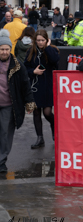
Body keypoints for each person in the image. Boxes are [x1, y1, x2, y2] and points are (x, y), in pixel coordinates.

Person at [0, 29, 36, 173]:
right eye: (1, 49)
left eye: (6, 49)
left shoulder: (17, 65)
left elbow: (25, 85)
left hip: (9, 105)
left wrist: (29, 102)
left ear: (10, 49)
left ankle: (1, 161)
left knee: (5, 134)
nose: (4, 52)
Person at [24, 30, 59, 149]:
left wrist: (48, 47)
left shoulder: (51, 49)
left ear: (46, 40)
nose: (40, 43)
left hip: (48, 85)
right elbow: (25, 67)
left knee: (47, 112)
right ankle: (40, 138)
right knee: (37, 112)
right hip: (35, 86)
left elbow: (55, 60)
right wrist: (33, 71)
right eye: (38, 40)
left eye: (42, 40)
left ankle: (55, 129)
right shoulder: (31, 51)